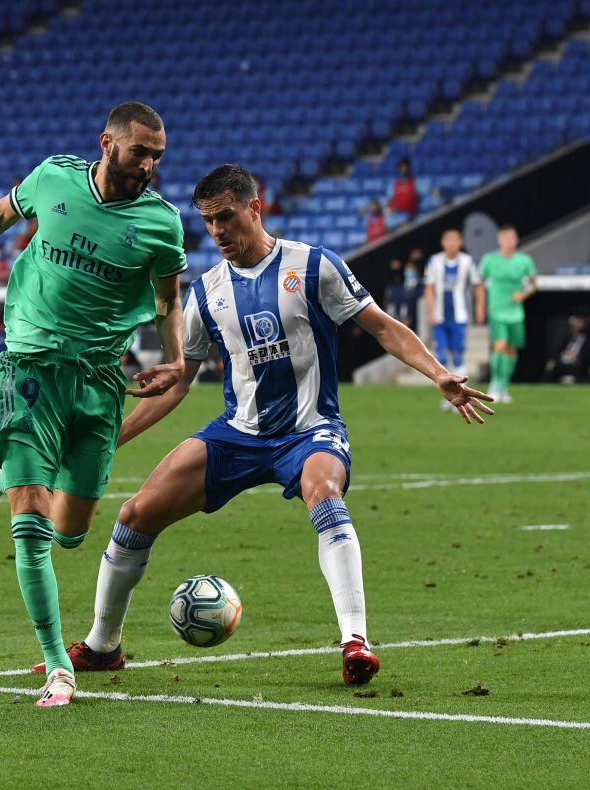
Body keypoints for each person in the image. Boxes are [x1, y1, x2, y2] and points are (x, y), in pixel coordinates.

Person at [43, 164, 493, 687]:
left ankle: (355, 641)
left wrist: (438, 374)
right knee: (135, 513)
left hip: (310, 430)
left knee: (324, 491)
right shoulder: (206, 292)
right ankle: (103, 647)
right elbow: (179, 383)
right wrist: (107, 440)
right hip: (239, 432)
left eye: (226, 218)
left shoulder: (314, 266)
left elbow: (382, 327)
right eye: (208, 223)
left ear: (255, 208)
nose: (217, 233)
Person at [0, 101, 188, 708]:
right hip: (29, 364)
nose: (150, 164)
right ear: (106, 142)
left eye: (158, 154)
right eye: (140, 151)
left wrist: (176, 359)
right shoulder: (54, 177)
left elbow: (168, 301)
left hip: (100, 380)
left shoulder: (162, 224)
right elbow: (3, 212)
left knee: (71, 533)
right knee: (30, 529)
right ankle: (59, 665)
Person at [424, 229, 485, 408]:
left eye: (454, 239)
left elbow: (478, 285)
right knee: (441, 356)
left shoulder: (467, 261)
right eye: (447, 239)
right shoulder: (435, 261)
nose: (451, 243)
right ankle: (447, 397)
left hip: (459, 317)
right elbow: (429, 288)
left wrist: (480, 307)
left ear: (460, 242)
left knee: (458, 356)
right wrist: (431, 311)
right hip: (440, 317)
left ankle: (462, 396)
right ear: (443, 242)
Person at [480, 225, 536, 403]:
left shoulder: (524, 260)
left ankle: (504, 385)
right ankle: (495, 383)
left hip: (516, 312)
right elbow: (479, 282)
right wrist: (481, 305)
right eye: (505, 238)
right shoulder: (489, 260)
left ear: (516, 240)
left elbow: (533, 283)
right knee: (500, 346)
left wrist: (524, 293)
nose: (508, 241)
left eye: (512, 238)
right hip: (497, 310)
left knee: (512, 350)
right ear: (499, 240)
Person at [544, 314, 589, 383]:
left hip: (576, 365)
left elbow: (586, 356)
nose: (578, 324)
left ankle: (571, 379)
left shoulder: (586, 340)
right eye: (577, 322)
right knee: (551, 366)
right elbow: (558, 350)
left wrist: (576, 356)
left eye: (580, 322)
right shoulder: (567, 338)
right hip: (562, 363)